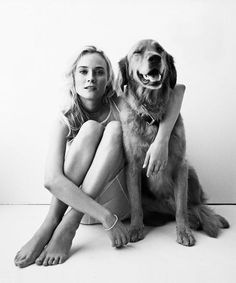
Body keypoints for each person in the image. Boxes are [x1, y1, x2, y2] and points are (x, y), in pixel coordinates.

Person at [14, 46, 186, 268]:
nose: (91, 79)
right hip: (84, 210)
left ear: (109, 79)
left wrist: (161, 140)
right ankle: (50, 224)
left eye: (99, 72)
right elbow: (51, 180)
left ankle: (67, 228)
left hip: (119, 204)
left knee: (114, 129)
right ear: (73, 77)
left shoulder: (122, 103)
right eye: (83, 72)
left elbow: (178, 90)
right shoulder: (64, 119)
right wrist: (106, 218)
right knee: (90, 129)